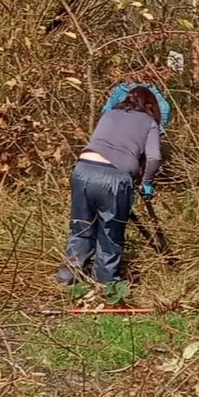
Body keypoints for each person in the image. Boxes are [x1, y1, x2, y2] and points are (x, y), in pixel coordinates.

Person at [58, 83, 163, 296]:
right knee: (110, 233)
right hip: (114, 179)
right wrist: (147, 182)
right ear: (150, 105)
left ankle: (67, 281)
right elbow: (154, 157)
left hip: (82, 170)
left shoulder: (109, 114)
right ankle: (107, 287)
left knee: (81, 227)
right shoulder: (149, 122)